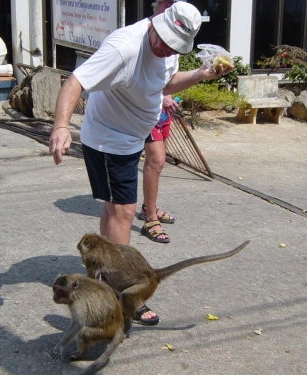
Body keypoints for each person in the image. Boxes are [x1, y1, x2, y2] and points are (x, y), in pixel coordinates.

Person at [49, 2, 233, 326]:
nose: (165, 49)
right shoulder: (124, 47)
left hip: (132, 136)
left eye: (173, 46)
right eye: (162, 41)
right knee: (122, 212)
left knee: (112, 210)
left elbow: (166, 81)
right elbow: (75, 81)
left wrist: (202, 74)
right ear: (157, 21)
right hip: (109, 138)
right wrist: (61, 126)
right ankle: (122, 297)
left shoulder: (170, 46)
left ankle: (105, 282)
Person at [137, 0, 179, 244]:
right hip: (146, 109)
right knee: (156, 159)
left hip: (162, 110)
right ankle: (150, 218)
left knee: (158, 162)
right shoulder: (145, 33)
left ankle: (147, 206)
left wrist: (169, 95)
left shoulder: (176, 30)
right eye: (170, 4)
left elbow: (169, 74)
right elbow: (142, 75)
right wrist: (161, 96)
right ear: (160, 4)